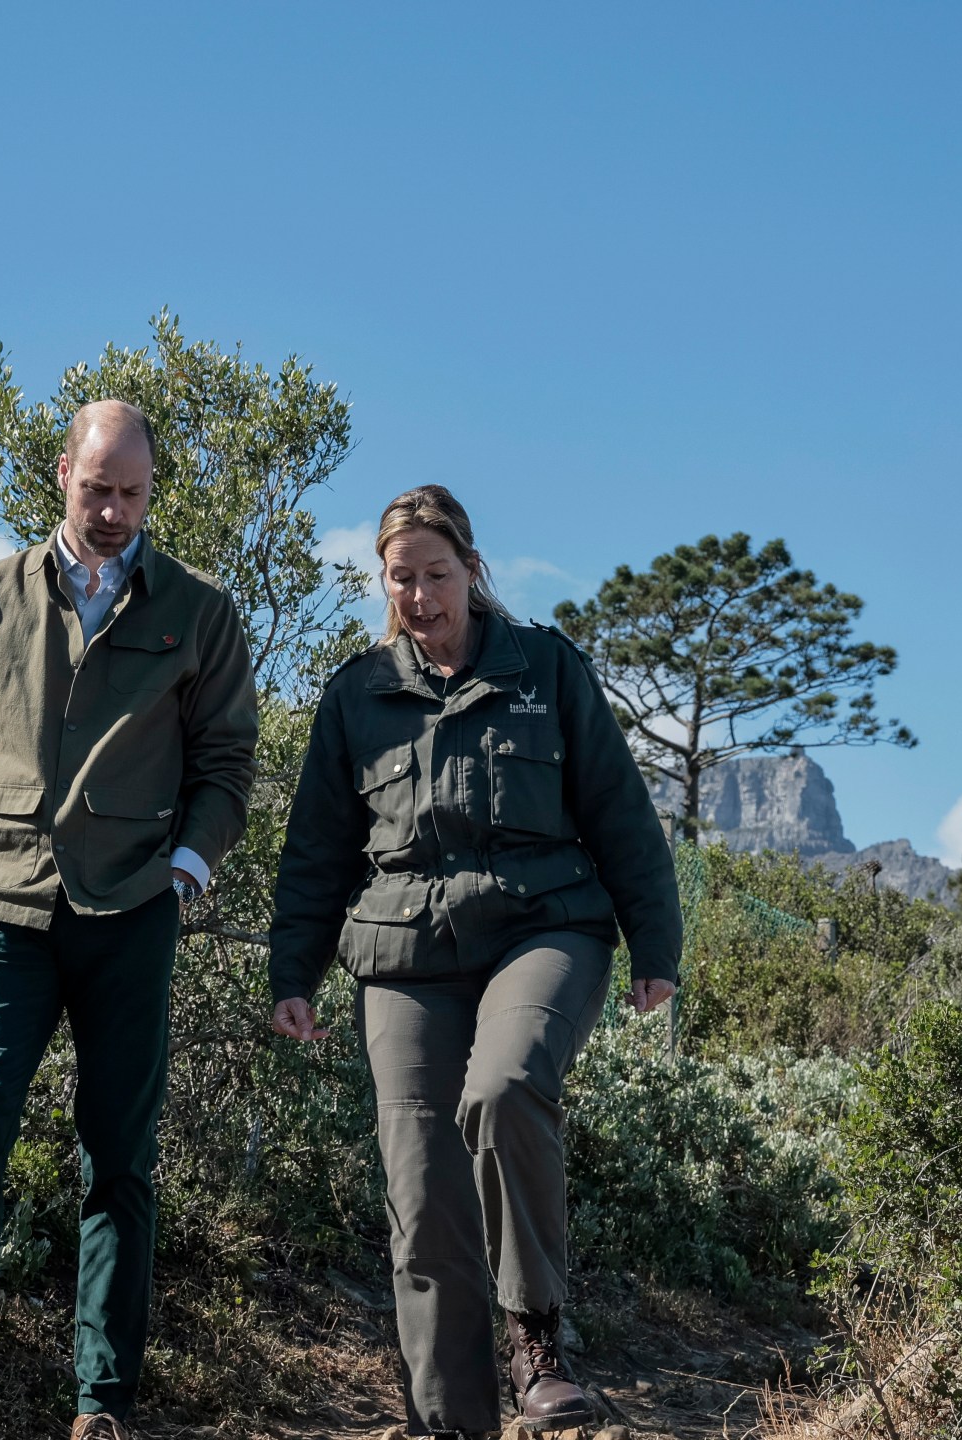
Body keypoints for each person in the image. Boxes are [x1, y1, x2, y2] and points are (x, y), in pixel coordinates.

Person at [0, 400, 260, 1440]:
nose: (112, 512)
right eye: (97, 489)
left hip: (132, 908)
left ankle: (102, 1410)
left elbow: (228, 764)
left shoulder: (198, 611)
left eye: (132, 495)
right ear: (61, 475)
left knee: (118, 1156)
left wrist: (186, 866)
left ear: (151, 492)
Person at [267, 485, 681, 1438]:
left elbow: (621, 813)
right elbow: (317, 852)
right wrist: (295, 973)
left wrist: (655, 944)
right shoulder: (355, 695)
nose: (420, 597)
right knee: (423, 1190)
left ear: (473, 569)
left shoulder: (546, 668)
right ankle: (450, 1419)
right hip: (404, 957)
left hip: (545, 931)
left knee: (502, 1089)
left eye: (437, 575)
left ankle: (537, 1345)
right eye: (401, 579)